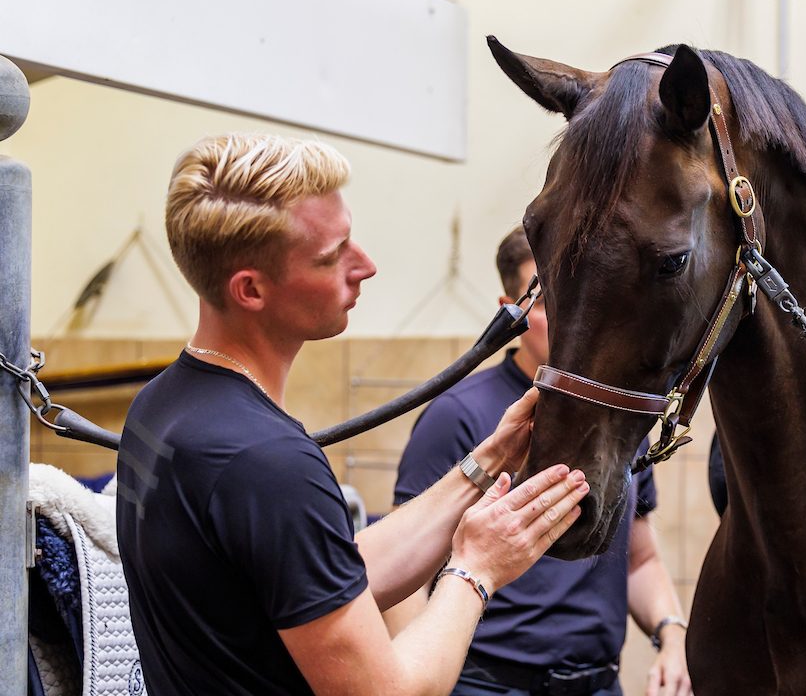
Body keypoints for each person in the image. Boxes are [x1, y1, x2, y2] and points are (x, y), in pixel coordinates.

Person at [115, 133, 589, 696]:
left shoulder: (164, 403)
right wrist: (476, 569)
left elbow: (323, 581)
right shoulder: (266, 462)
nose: (365, 265)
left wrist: (485, 465)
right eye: (331, 255)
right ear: (251, 290)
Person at [387, 227, 693, 696]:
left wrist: (672, 635)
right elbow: (405, 576)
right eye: (551, 304)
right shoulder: (457, 415)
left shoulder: (617, 416)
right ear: (512, 310)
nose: (574, 320)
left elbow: (640, 557)